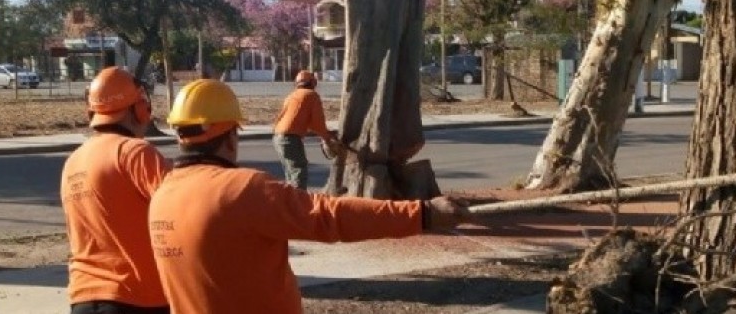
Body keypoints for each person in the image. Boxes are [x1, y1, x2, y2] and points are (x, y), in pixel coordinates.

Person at [149, 79, 471, 314]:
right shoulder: (242, 190)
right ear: (231, 135)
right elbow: (329, 215)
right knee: (297, 174)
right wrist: (423, 213)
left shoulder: (163, 195)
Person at [60, 67, 171, 314]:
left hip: (83, 297)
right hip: (137, 298)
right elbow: (179, 214)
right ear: (139, 109)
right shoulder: (136, 153)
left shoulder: (73, 162)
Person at [272, 69, 339, 189]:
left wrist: (323, 132)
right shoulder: (311, 95)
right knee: (299, 172)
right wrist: (327, 137)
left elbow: (309, 123)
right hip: (290, 138)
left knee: (290, 174)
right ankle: (298, 204)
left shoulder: (292, 96)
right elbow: (318, 122)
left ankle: (289, 203)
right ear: (312, 82)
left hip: (278, 137)